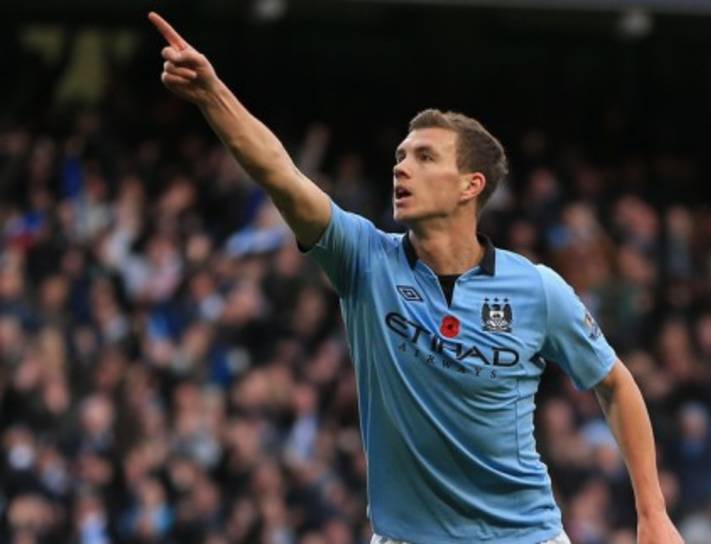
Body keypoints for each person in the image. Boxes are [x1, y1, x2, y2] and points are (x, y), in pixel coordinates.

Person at [148, 12, 683, 543]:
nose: (401, 167)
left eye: (425, 157)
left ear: (470, 185)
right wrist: (213, 95)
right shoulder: (363, 260)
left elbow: (614, 383)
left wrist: (653, 514)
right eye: (401, 156)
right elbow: (280, 176)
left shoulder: (537, 289)